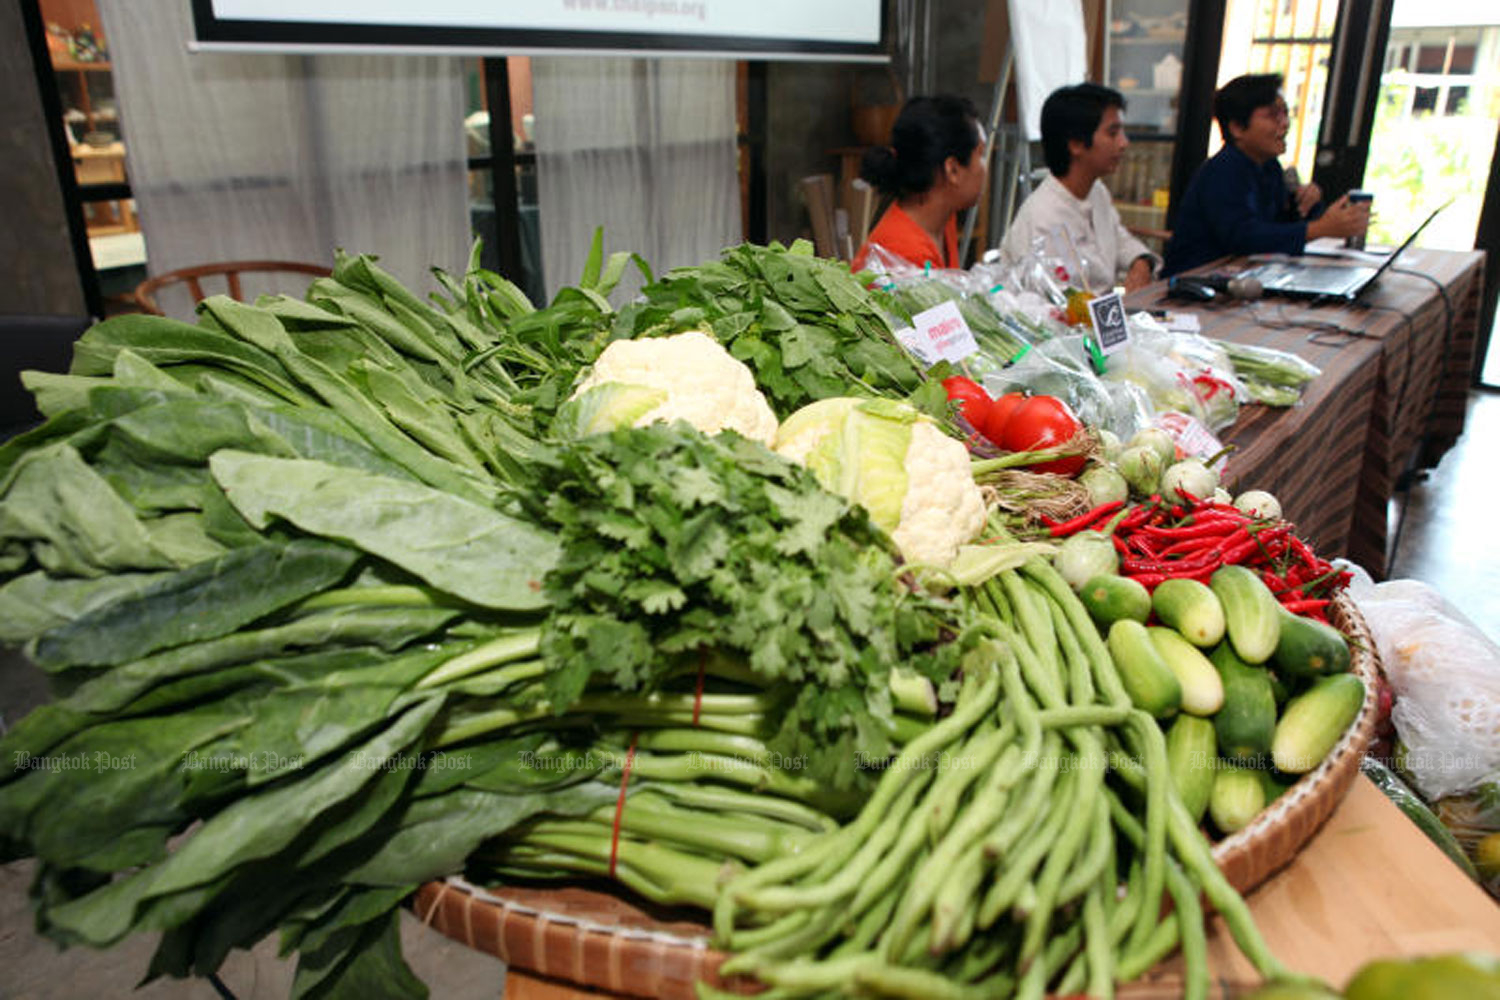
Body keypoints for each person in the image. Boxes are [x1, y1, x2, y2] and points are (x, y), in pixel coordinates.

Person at [1163, 73, 1369, 276]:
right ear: (1237, 128)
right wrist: (1318, 228)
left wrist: (1311, 203)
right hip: (1192, 286)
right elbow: (1244, 237)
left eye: (1285, 113)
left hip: (1245, 278)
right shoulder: (1222, 171)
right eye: (1273, 115)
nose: (1285, 123)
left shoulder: (1269, 166)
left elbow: (1284, 224)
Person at [999, 83, 1157, 293]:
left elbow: (1119, 239)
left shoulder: (1096, 191)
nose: (1124, 143)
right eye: (1113, 133)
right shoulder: (1044, 219)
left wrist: (1141, 262)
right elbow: (1055, 307)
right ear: (1076, 145)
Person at [851, 95, 987, 273]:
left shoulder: (943, 220)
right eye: (981, 154)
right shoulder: (903, 255)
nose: (985, 167)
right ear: (952, 170)